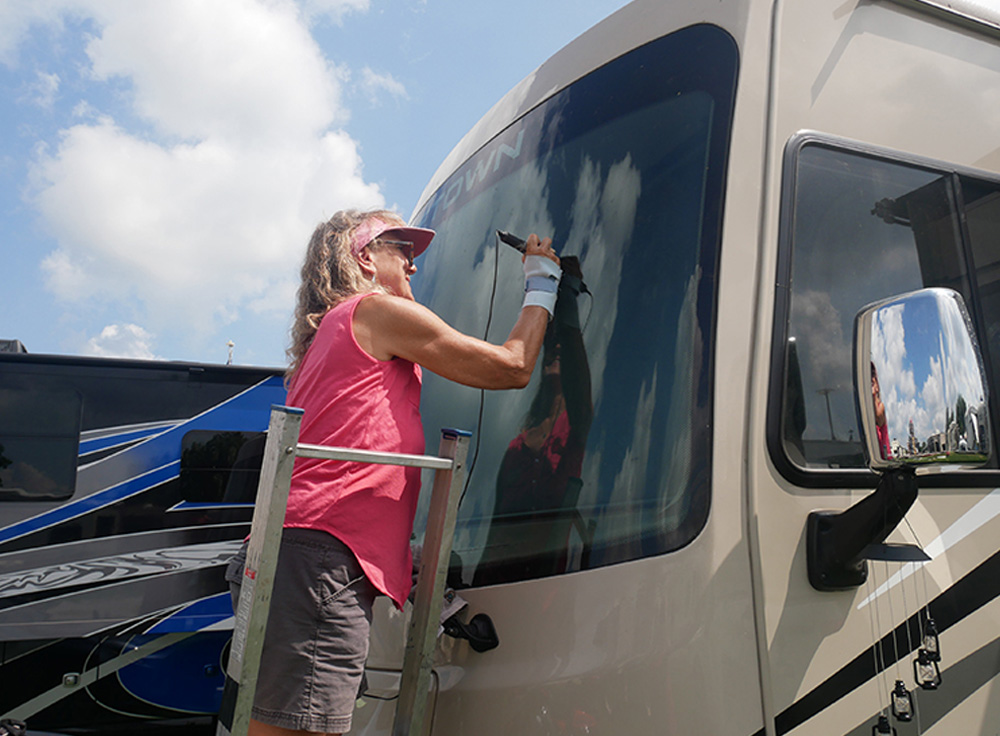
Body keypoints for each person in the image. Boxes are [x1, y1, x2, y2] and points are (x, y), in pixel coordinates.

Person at [226, 208, 560, 736]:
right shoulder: (374, 311)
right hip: (319, 559)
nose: (414, 266)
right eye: (401, 251)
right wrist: (543, 281)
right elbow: (511, 365)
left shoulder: (331, 335)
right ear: (364, 257)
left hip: (296, 552)